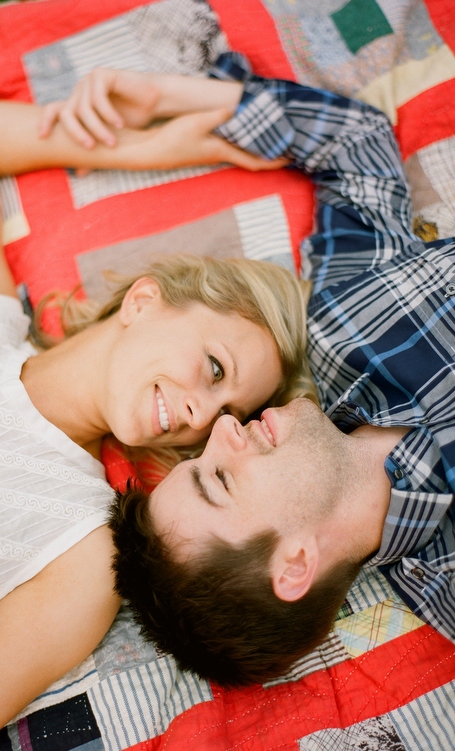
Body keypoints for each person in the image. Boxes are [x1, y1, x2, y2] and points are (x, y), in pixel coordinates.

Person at [0, 85, 313, 749]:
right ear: (145, 300)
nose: (199, 411)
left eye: (224, 413)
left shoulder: (83, 559)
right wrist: (157, 143)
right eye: (213, 368)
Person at [107, 53, 455, 688]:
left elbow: (356, 145)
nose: (221, 430)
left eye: (199, 459)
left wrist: (167, 88)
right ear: (295, 565)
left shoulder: (340, 328)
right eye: (219, 480)